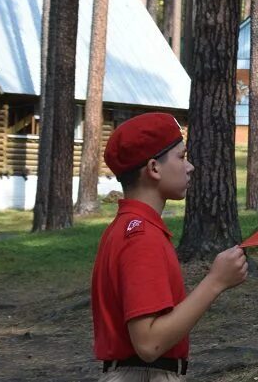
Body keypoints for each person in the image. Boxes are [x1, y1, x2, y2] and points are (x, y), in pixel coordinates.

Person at [91, 112, 248, 381]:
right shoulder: (141, 238)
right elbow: (149, 343)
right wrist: (216, 281)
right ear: (154, 168)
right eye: (181, 156)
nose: (190, 167)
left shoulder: (127, 228)